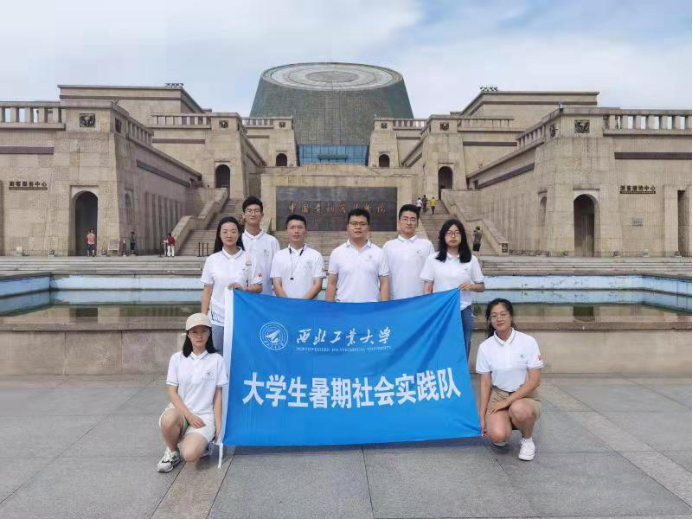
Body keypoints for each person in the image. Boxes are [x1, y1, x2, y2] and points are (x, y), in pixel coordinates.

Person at [157, 313, 228, 473]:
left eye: (203, 331)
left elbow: (217, 395)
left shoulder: (217, 360)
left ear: (209, 333)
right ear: (188, 334)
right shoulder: (177, 358)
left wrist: (218, 424)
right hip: (181, 413)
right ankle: (172, 451)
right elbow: (172, 392)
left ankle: (203, 442)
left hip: (204, 417)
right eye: (195, 332)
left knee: (190, 455)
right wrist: (189, 416)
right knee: (168, 419)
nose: (199, 336)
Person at [477, 299, 544, 461]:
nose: (499, 319)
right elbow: (485, 383)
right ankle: (504, 423)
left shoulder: (528, 341)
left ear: (511, 316)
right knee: (498, 436)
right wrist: (482, 416)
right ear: (490, 320)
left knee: (519, 409)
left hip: (525, 396)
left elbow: (534, 380)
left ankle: (527, 440)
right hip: (498, 395)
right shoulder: (485, 347)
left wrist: (507, 402)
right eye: (494, 316)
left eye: (503, 314)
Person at [421, 219, 485, 359]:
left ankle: (461, 371)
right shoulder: (433, 259)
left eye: (457, 233)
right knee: (440, 344)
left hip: (463, 309)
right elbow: (427, 289)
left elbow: (481, 286)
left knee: (464, 343)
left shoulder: (471, 260)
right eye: (449, 233)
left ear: (462, 236)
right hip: (440, 310)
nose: (453, 236)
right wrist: (430, 309)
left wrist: (471, 286)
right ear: (443, 236)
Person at [201, 216, 262, 355]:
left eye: (233, 231)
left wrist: (244, 289)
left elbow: (259, 287)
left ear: (239, 233)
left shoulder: (249, 258)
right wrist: (203, 317)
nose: (229, 235)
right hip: (217, 318)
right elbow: (207, 291)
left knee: (240, 356)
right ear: (219, 234)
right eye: (225, 231)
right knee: (217, 356)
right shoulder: (212, 260)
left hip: (242, 317)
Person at [326, 209, 390, 303]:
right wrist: (328, 308)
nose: (358, 227)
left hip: (371, 307)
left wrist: (384, 307)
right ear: (347, 227)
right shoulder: (337, 253)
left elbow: (384, 283)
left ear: (368, 227)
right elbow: (332, 283)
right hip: (344, 307)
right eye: (354, 223)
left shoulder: (379, 253)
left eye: (362, 224)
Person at [383, 205, 435, 300]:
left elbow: (432, 275)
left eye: (413, 219)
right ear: (399, 222)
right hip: (395, 300)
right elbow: (383, 276)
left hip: (420, 300)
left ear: (417, 223)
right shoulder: (388, 246)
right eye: (405, 219)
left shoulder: (427, 245)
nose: (409, 223)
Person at [271, 214, 325, 299]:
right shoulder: (278, 256)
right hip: (285, 305)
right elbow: (276, 284)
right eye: (292, 227)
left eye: (300, 227)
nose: (296, 231)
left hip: (307, 305)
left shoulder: (316, 255)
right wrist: (288, 303)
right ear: (287, 231)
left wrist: (301, 303)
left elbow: (318, 285)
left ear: (306, 231)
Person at [241, 196, 280, 296]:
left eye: (256, 211)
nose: (253, 214)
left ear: (262, 215)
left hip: (266, 296)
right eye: (249, 211)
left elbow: (278, 272)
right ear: (243, 215)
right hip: (242, 297)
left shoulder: (272, 241)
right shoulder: (238, 241)